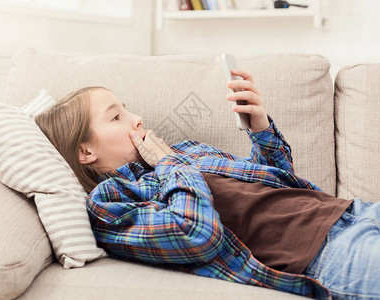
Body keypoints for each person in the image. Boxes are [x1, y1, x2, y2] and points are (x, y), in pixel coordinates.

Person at [35, 69, 380, 300]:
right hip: (324, 253)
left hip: (352, 211)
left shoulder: (186, 151)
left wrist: (259, 128)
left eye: (126, 108)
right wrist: (167, 163)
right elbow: (196, 236)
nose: (136, 118)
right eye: (116, 116)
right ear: (85, 151)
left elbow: (279, 182)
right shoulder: (111, 204)